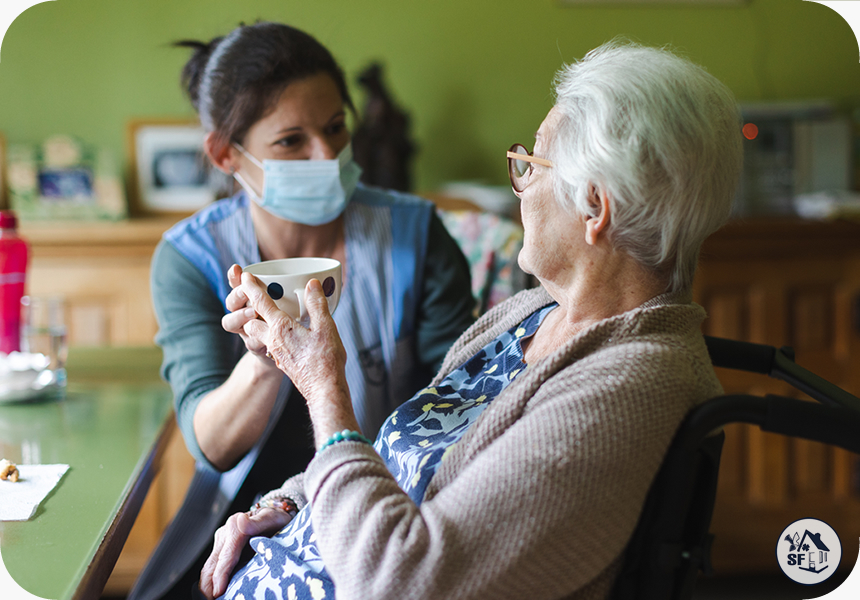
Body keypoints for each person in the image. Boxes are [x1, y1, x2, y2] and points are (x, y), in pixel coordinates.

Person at [200, 41, 743, 600]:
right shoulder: (530, 315)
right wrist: (288, 504)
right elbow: (401, 454)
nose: (521, 186)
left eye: (531, 163)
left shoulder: (625, 390)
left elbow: (406, 582)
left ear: (595, 207)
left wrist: (323, 386)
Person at [130, 22, 475, 600]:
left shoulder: (415, 237)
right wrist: (267, 359)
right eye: (292, 141)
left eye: (337, 127)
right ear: (224, 153)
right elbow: (211, 444)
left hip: (386, 498)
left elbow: (456, 408)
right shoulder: (190, 258)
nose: (328, 155)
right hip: (234, 522)